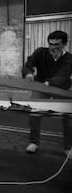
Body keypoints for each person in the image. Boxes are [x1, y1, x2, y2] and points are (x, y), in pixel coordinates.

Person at [23, 30, 72, 158]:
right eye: (51, 44)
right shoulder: (40, 52)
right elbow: (28, 64)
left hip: (61, 89)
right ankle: (34, 142)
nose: (53, 47)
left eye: (57, 45)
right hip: (41, 87)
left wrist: (49, 82)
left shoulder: (69, 59)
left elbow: (63, 75)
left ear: (65, 44)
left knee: (68, 117)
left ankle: (68, 147)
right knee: (34, 114)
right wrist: (28, 73)